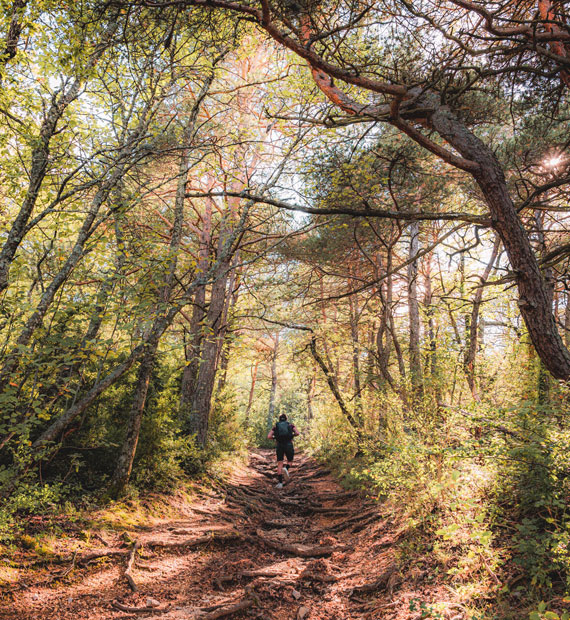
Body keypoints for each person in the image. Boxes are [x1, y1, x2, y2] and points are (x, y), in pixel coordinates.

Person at [267, 413, 300, 488]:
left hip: (279, 445)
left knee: (279, 463)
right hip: (289, 444)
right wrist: (292, 435)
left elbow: (269, 436)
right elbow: (297, 433)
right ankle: (286, 468)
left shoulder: (276, 426)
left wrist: (275, 438)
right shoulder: (290, 425)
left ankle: (280, 483)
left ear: (279, 419)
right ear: (286, 419)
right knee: (290, 461)